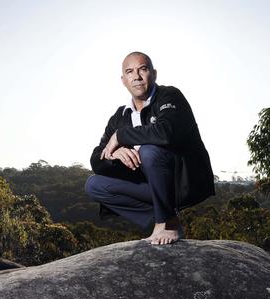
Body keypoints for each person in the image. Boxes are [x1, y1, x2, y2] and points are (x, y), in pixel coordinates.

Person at [85, 51, 215, 245]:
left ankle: (167, 224)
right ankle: (164, 218)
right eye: (130, 72)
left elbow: (165, 133)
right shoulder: (120, 116)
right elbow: (97, 159)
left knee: (149, 151)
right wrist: (115, 154)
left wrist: (121, 136)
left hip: (181, 182)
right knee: (93, 185)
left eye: (142, 69)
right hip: (151, 188)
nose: (136, 77)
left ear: (153, 73)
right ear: (123, 80)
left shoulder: (170, 95)